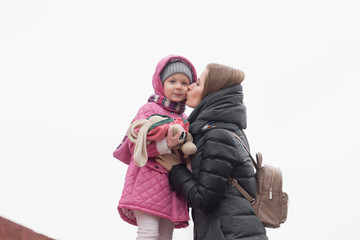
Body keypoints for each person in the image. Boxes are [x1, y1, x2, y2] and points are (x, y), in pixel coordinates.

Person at [156, 63, 268, 240]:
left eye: (198, 84)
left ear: (212, 93)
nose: (190, 86)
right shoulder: (224, 130)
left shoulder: (217, 136)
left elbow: (204, 200)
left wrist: (176, 169)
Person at [113, 55, 197, 240]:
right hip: (147, 181)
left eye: (184, 83)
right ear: (160, 83)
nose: (178, 86)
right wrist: (166, 144)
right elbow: (135, 145)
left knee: (166, 237)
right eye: (172, 81)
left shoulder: (185, 118)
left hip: (172, 186)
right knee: (148, 234)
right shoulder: (149, 109)